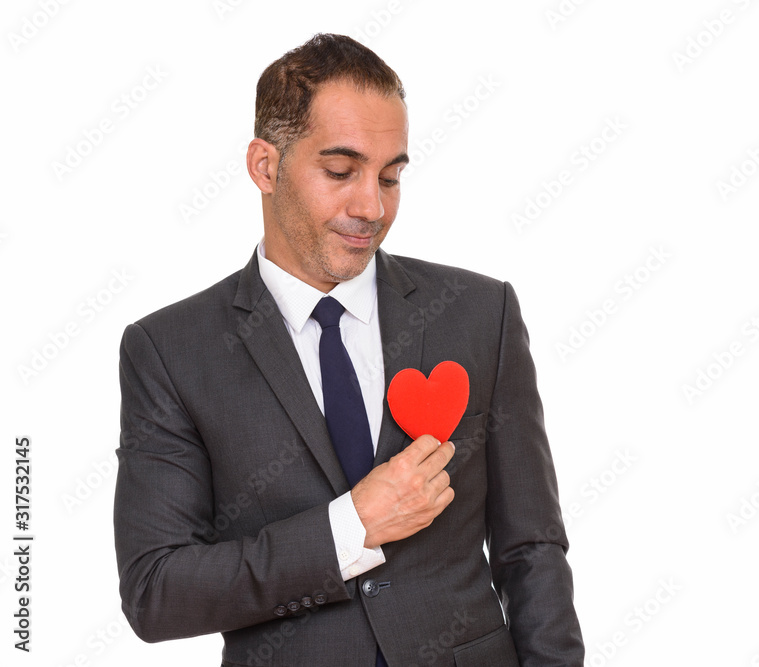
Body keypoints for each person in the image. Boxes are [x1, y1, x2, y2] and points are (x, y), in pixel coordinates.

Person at [113, 33, 584, 666]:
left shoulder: (480, 313)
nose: (372, 206)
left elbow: (533, 549)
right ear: (265, 167)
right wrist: (350, 528)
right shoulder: (171, 350)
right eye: (340, 172)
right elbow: (156, 592)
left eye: (391, 177)